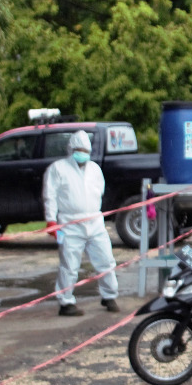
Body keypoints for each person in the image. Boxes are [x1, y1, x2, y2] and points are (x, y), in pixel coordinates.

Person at [43, 130, 120, 317]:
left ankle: (109, 296)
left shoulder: (95, 169)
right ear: (71, 149)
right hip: (69, 223)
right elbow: (50, 195)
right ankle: (66, 302)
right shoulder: (57, 168)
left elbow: (99, 192)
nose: (82, 153)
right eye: (78, 149)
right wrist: (51, 219)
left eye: (85, 150)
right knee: (69, 264)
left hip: (94, 221)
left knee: (106, 260)